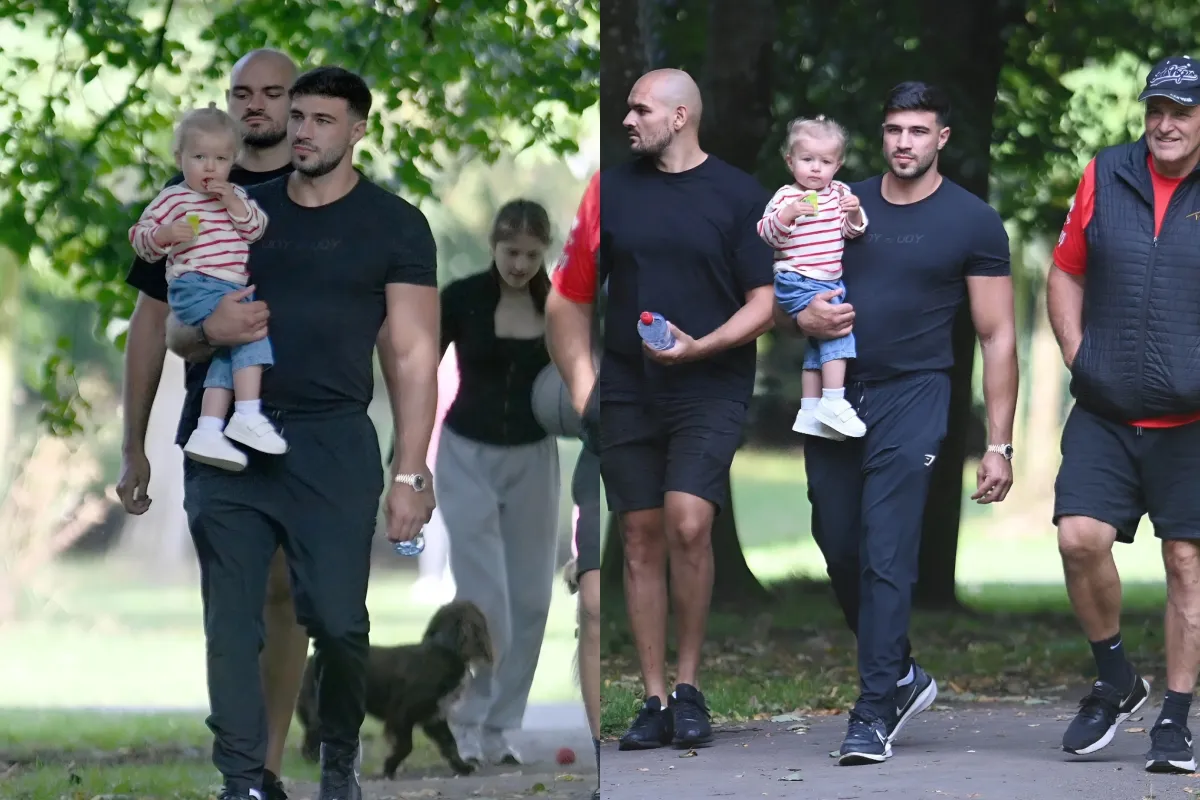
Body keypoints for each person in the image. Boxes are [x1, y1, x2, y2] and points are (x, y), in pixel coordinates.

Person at [164, 66, 439, 800]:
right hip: (228, 443)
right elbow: (176, 326)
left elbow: (413, 355)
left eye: (322, 119)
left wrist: (412, 470)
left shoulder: (395, 224)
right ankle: (243, 781)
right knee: (233, 625)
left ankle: (340, 755)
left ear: (356, 130)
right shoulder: (235, 210)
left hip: (332, 442)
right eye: (298, 116)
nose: (303, 131)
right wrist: (203, 329)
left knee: (342, 625)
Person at [776, 81, 1017, 765]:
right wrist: (800, 317)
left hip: (916, 394)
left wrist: (997, 443)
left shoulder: (972, 222)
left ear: (942, 138)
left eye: (918, 131)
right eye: (893, 130)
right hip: (834, 394)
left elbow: (998, 335)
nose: (903, 142)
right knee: (836, 538)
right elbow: (779, 290)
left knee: (887, 551)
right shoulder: (835, 202)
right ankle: (903, 672)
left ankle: (873, 708)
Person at [115, 48, 307, 800]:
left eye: (273, 93)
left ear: (300, 103)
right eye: (241, 93)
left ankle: (267, 767)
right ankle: (240, 773)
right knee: (233, 596)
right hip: (215, 422)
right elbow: (150, 322)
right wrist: (134, 447)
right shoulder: (183, 191)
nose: (256, 105)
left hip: (309, 423)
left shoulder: (322, 187)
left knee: (290, 594)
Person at [601, 69, 775, 751]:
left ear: (680, 117)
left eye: (640, 109)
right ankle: (651, 698)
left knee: (689, 522)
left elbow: (764, 301)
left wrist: (703, 346)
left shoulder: (736, 195)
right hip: (627, 384)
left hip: (710, 382)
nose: (627, 120)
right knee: (640, 534)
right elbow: (579, 283)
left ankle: (689, 686)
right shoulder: (611, 192)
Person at [1048, 55, 1200, 774]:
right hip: (1106, 410)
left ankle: (1175, 716)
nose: (1166, 125)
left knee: (1186, 563)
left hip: (1192, 423)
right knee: (1079, 538)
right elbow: (1067, 270)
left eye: (1183, 111)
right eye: (1157, 110)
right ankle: (1115, 677)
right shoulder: (1105, 173)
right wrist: (1081, 357)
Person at [436, 199, 562, 766]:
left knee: (533, 599)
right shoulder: (460, 298)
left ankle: (501, 726)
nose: (520, 264)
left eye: (532, 255)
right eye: (512, 252)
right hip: (466, 453)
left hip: (534, 456)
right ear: (494, 245)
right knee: (486, 602)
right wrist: (406, 458)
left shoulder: (560, 305)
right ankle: (465, 720)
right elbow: (416, 370)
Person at [128, 104, 285, 471]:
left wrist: (233, 202)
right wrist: (165, 234)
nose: (210, 168)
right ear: (180, 157)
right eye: (199, 157)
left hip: (227, 285)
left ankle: (209, 428)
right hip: (194, 285)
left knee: (227, 355)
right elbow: (140, 238)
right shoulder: (174, 198)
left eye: (220, 159)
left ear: (234, 161)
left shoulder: (235, 196)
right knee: (251, 331)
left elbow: (255, 229)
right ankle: (247, 413)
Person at [758, 114, 868, 440]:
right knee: (837, 332)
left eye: (825, 161)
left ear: (839, 164)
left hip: (828, 279)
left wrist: (855, 211)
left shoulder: (839, 194)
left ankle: (809, 409)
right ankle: (833, 401)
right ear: (790, 161)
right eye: (807, 160)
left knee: (818, 342)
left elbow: (852, 231)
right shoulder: (785, 197)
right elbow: (767, 235)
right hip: (798, 279)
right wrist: (788, 215)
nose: (816, 169)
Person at [545, 170, 602, 800]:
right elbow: (568, 298)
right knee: (590, 599)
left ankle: (668, 702)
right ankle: (598, 763)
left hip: (677, 411)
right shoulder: (600, 192)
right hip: (605, 429)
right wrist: (586, 396)